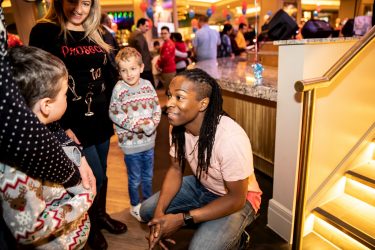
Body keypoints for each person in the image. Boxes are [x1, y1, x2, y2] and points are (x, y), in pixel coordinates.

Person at [29, 0, 127, 248]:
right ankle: (90, 222)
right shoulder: (44, 31)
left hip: (102, 117)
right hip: (69, 123)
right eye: (73, 0)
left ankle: (101, 215)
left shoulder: (100, 32)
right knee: (88, 176)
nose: (79, 8)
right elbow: (41, 84)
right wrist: (58, 128)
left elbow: (110, 74)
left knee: (102, 173)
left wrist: (117, 108)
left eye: (86, 2)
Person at [0, 3, 95, 249]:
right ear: (46, 105)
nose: (68, 97)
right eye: (65, 93)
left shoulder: (48, 129)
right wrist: (84, 199)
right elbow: (30, 230)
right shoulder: (15, 174)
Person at [140, 68, 262, 249]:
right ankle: (208, 222)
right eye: (169, 95)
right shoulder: (177, 126)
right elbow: (175, 169)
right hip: (203, 185)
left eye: (179, 97)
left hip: (239, 199)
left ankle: (238, 239)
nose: (168, 104)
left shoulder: (230, 138)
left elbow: (236, 198)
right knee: (147, 211)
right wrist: (160, 216)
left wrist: (183, 219)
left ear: (202, 103)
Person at [109, 47, 161, 222]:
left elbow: (157, 108)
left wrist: (152, 124)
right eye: (124, 70)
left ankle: (147, 204)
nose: (129, 74)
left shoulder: (147, 85)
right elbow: (114, 113)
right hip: (131, 145)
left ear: (141, 67)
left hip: (149, 142)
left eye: (132, 68)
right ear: (119, 72)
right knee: (135, 178)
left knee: (148, 176)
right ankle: (135, 205)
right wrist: (137, 126)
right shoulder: (119, 89)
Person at [128, 18, 154, 87]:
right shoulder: (138, 35)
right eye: (146, 26)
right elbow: (141, 51)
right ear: (140, 25)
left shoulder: (133, 34)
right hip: (144, 66)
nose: (147, 28)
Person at [157, 26, 176, 93]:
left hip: (169, 71)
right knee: (169, 91)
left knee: (170, 92)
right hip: (167, 70)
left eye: (165, 33)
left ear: (169, 34)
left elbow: (165, 58)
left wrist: (158, 65)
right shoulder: (165, 43)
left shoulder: (169, 44)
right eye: (162, 33)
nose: (163, 35)